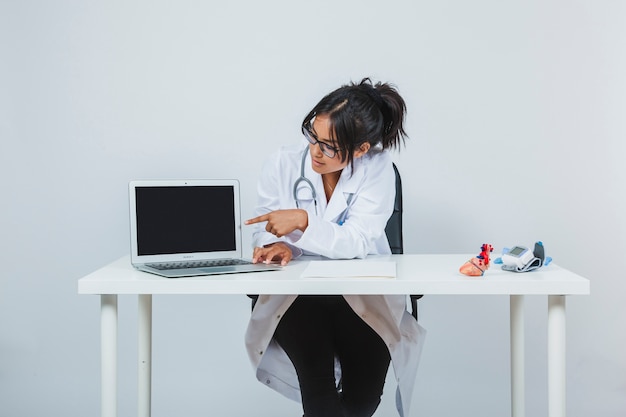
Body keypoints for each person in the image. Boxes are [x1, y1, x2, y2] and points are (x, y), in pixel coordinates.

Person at [244, 78, 425, 417]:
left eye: (329, 146)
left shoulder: (378, 170)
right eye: (313, 136)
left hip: (363, 293)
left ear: (361, 149)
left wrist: (303, 221)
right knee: (321, 401)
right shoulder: (282, 165)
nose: (315, 151)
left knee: (362, 402)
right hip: (298, 297)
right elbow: (263, 228)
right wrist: (277, 246)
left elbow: (358, 241)